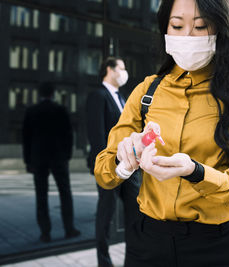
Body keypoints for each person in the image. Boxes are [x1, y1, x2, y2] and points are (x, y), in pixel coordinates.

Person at [93, 0, 229, 266]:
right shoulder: (147, 92)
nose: (187, 36)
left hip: (215, 246)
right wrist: (125, 159)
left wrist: (196, 172)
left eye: (200, 26)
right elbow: (103, 174)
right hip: (148, 240)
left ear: (220, 31)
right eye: (177, 25)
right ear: (165, 28)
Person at [86, 57, 141, 267]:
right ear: (109, 69)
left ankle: (134, 260)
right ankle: (104, 262)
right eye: (122, 68)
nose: (125, 72)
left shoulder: (122, 97)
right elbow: (96, 134)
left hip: (129, 165)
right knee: (106, 215)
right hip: (110, 167)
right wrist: (104, 166)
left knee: (135, 214)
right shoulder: (98, 96)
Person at [22, 82, 81, 243]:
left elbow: (26, 139)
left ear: (39, 93)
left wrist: (28, 161)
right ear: (53, 93)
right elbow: (68, 135)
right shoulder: (60, 110)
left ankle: (45, 233)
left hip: (39, 158)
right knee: (65, 193)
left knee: (41, 195)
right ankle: (69, 229)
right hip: (58, 157)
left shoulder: (31, 111)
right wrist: (67, 156)